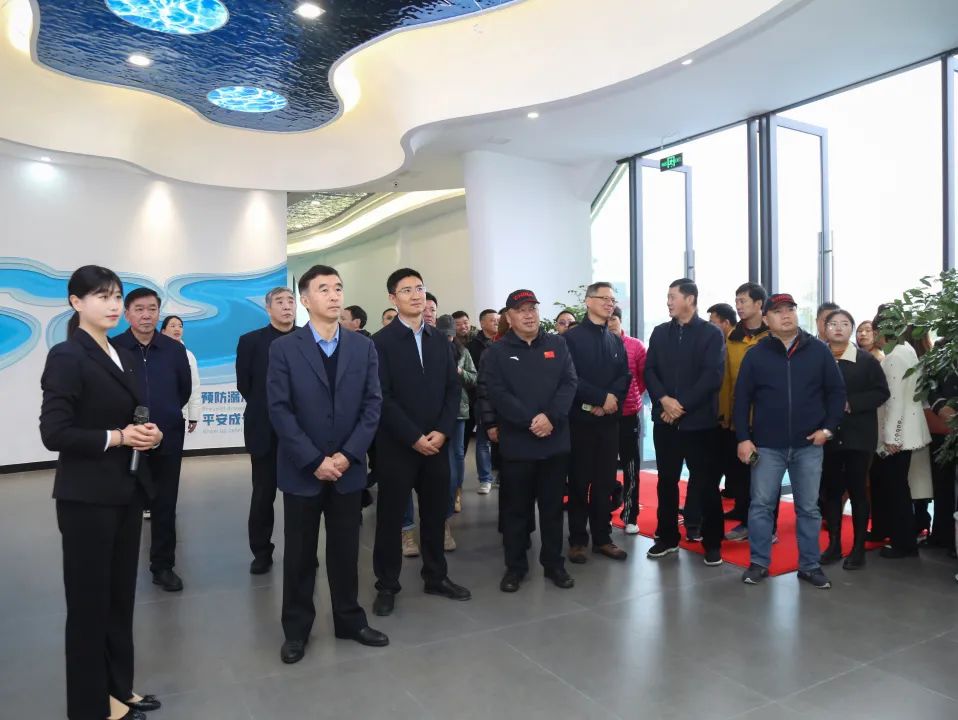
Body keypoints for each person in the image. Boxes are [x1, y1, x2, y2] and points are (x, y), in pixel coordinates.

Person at [40, 265, 164, 720]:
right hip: (86, 500)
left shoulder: (119, 353)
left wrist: (149, 435)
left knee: (119, 599)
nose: (113, 305)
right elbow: (54, 433)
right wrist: (118, 437)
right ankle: (91, 706)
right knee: (89, 605)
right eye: (101, 296)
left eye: (116, 296)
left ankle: (119, 687)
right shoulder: (67, 356)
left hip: (124, 492)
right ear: (76, 302)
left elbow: (128, 415)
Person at [267, 265, 388, 664]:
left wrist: (347, 455)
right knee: (300, 555)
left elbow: (372, 405)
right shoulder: (284, 349)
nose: (335, 295)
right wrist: (314, 459)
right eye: (324, 289)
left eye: (338, 288)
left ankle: (349, 620)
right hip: (302, 471)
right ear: (305, 299)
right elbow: (279, 410)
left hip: (348, 470)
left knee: (345, 551)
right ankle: (296, 630)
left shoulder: (362, 347)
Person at [371, 268, 471, 616]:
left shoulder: (439, 340)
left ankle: (436, 576)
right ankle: (387, 585)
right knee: (390, 518)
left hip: (436, 444)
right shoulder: (379, 343)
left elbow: (452, 389)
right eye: (407, 290)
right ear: (392, 298)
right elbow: (381, 396)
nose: (416, 295)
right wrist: (413, 436)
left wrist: (442, 431)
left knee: (434, 513)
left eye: (420, 288)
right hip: (397, 445)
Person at [734, 293, 846, 588]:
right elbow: (741, 399)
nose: (786, 315)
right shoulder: (756, 354)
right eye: (778, 311)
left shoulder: (819, 351)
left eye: (790, 309)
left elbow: (837, 392)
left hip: (809, 445)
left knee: (808, 508)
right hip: (766, 446)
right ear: (766, 319)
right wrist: (744, 439)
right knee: (761, 506)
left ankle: (809, 566)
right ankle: (759, 563)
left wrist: (828, 429)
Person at [481, 289, 578, 592]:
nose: (529, 315)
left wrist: (550, 417)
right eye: (521, 310)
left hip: (554, 440)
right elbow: (496, 392)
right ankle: (515, 567)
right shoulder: (496, 352)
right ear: (509, 317)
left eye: (532, 308)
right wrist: (530, 421)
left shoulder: (557, 344)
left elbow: (569, 382)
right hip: (518, 443)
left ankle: (554, 564)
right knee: (516, 511)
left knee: (552, 509)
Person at [111, 288, 191, 592]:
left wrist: (163, 420)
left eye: (152, 309)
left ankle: (163, 566)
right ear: (127, 314)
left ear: (159, 312)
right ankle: (120, 567)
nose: (146, 315)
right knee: (125, 506)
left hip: (167, 437)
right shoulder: (114, 347)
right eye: (139, 309)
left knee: (165, 505)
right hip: (126, 439)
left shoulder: (174, 349)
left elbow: (183, 390)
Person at [644, 278, 726, 566]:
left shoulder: (711, 334)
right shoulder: (659, 333)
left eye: (672, 297)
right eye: (667, 297)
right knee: (666, 482)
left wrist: (680, 406)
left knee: (706, 485)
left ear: (690, 299)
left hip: (700, 424)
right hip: (665, 422)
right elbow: (650, 370)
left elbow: (712, 377)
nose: (668, 302)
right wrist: (664, 400)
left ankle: (712, 542)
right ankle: (667, 538)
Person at [563, 281, 631, 563]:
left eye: (612, 299)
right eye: (604, 298)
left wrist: (611, 400)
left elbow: (625, 375)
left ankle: (603, 538)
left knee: (604, 482)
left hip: (608, 422)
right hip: (580, 420)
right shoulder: (571, 338)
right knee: (579, 482)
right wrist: (600, 398)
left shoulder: (615, 339)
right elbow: (569, 377)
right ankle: (578, 540)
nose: (609, 303)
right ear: (588, 301)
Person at [819, 309, 889, 570]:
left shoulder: (866, 360)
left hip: (858, 435)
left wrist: (852, 403)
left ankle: (858, 548)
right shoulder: (817, 357)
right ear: (824, 328)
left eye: (845, 324)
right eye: (833, 324)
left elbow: (882, 392)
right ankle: (834, 544)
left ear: (851, 329)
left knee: (858, 491)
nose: (838, 328)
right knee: (831, 492)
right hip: (827, 435)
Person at [235, 287, 296, 574]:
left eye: (290, 301)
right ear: (268, 308)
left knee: (302, 497)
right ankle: (261, 552)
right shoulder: (251, 341)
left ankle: (301, 552)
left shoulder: (307, 338)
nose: (286, 306)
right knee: (263, 494)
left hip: (302, 430)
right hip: (264, 428)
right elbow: (245, 385)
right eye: (280, 302)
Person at [870, 311, 931, 559]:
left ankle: (904, 543)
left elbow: (894, 400)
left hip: (899, 433)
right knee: (892, 485)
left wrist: (891, 438)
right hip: (906, 428)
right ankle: (891, 533)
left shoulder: (895, 356)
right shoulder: (907, 349)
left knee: (896, 488)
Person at [720, 282, 771, 541]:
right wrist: (725, 414)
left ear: (759, 304)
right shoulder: (733, 336)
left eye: (743, 301)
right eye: (737, 301)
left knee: (764, 476)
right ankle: (744, 519)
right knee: (740, 473)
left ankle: (767, 528)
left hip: (766, 418)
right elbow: (727, 378)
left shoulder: (772, 335)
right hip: (738, 418)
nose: (738, 306)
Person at [435, 315, 477, 540]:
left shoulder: (463, 353)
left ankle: (456, 492)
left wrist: (460, 372)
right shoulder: (431, 351)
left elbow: (474, 378)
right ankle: (445, 500)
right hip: (436, 413)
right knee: (441, 459)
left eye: (450, 335)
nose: (448, 339)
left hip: (459, 411)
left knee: (458, 455)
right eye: (444, 335)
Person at [608, 306, 647, 535]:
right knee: (604, 467)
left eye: (613, 319)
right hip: (603, 415)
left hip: (629, 415)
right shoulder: (598, 346)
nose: (610, 323)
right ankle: (604, 512)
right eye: (607, 320)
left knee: (631, 466)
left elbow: (642, 379)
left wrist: (631, 396)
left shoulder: (635, 346)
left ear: (620, 320)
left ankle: (631, 515)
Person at [468, 309, 500, 494]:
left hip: (502, 400)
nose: (496, 322)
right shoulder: (473, 346)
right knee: (483, 440)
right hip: (482, 398)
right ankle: (485, 479)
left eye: (498, 320)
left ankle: (501, 476)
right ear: (482, 323)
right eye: (492, 320)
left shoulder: (506, 342)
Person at [160, 316, 201, 444]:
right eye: (172, 326)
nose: (177, 329)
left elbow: (194, 387)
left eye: (180, 326)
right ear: (163, 331)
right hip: (155, 414)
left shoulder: (188, 355)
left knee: (174, 451)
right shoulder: (154, 353)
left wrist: (193, 417)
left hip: (178, 415)